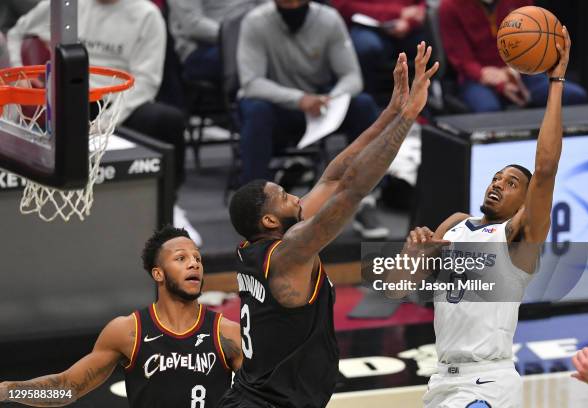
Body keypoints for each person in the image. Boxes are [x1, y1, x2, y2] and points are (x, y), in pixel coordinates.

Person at [218, 42, 438, 408]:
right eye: (285, 196)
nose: (297, 198)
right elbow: (352, 190)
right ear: (270, 220)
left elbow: (334, 178)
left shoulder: (255, 248)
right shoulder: (290, 252)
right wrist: (408, 119)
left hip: (259, 396)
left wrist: (390, 112)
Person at [396, 27, 570, 408]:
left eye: (510, 183)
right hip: (441, 379)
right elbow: (397, 290)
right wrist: (413, 256)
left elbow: (545, 168)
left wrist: (555, 81)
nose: (497, 184)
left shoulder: (519, 237)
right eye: (495, 178)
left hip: (487, 383)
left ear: (526, 201)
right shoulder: (455, 223)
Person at [7, 0, 201, 245]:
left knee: (167, 119)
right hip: (71, 97)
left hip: (119, 100)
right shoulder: (66, 6)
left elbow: (147, 82)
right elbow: (16, 32)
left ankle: (170, 201)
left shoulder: (147, 15)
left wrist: (106, 121)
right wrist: (19, 71)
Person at [0, 226, 242, 407]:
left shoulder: (227, 333)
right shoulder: (128, 332)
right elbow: (66, 389)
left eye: (197, 258)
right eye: (181, 258)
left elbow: (261, 396)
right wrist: (10, 390)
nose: (194, 264)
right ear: (158, 274)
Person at [237, 0, 390, 239]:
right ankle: (258, 212)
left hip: (319, 107)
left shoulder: (329, 19)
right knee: (256, 110)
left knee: (363, 105)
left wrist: (330, 99)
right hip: (278, 107)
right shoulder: (255, 22)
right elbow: (251, 83)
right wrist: (299, 99)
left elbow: (352, 76)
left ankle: (366, 200)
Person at [439, 0, 587, 113]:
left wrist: (515, 70)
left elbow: (535, 39)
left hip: (522, 70)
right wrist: (499, 82)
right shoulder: (449, 7)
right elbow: (462, 60)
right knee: (489, 110)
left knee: (574, 96)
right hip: (477, 78)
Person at [332, 0, 426, 90]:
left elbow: (420, 7)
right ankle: (367, 97)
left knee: (427, 45)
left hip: (405, 27)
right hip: (366, 26)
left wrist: (409, 22)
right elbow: (344, 6)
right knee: (366, 47)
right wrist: (396, 13)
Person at [167, 0, 266, 83]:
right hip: (203, 47)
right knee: (251, 57)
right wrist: (240, 37)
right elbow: (194, 26)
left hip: (250, 35)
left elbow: (266, 6)